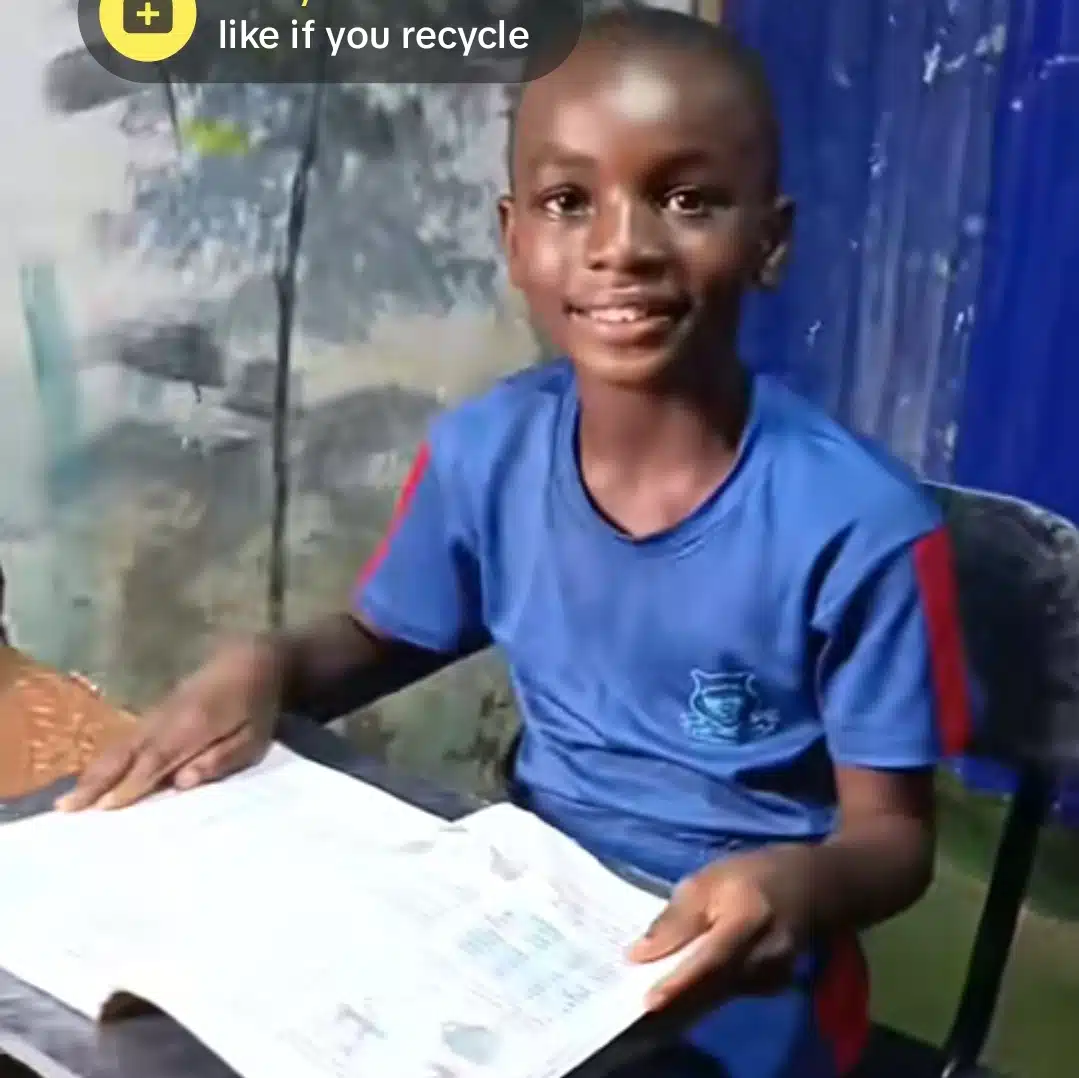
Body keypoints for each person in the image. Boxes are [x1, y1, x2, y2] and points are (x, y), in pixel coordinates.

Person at [58, 10, 973, 1078]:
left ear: (767, 239)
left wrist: (798, 888)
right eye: (566, 200)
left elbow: (892, 840)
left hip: (737, 966)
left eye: (685, 199)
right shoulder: (484, 450)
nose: (620, 244)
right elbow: (384, 630)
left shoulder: (858, 526)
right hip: (523, 919)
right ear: (512, 236)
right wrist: (271, 665)